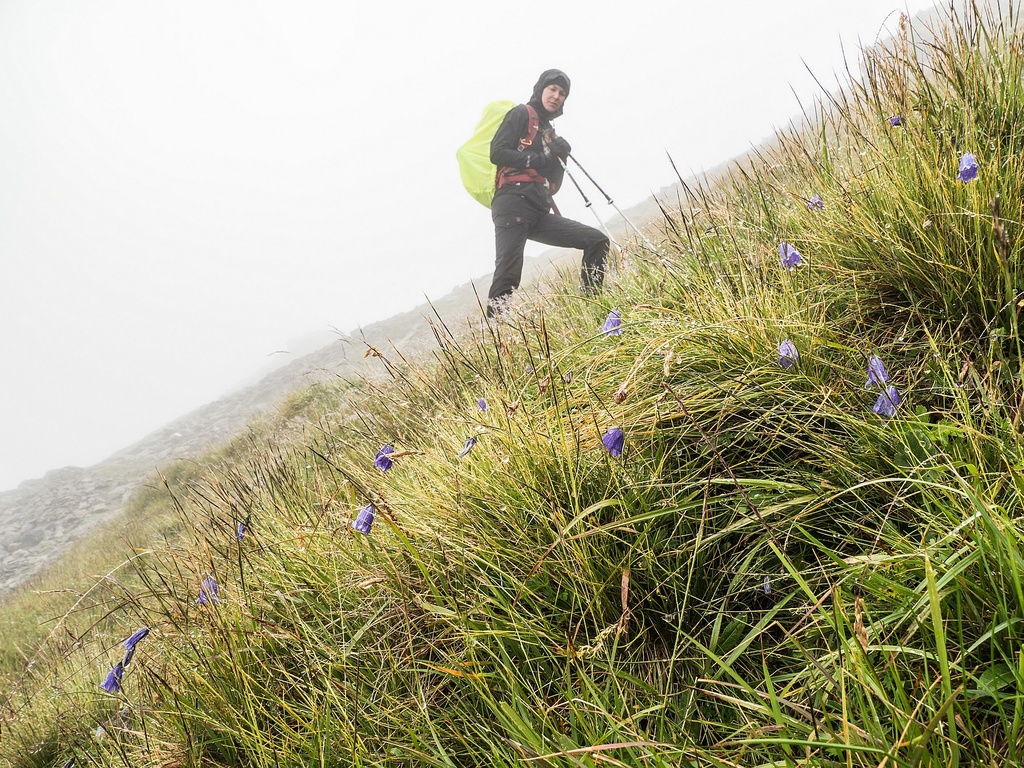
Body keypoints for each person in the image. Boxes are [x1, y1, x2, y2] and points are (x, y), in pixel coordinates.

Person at [486, 69, 610, 318]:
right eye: (552, 89)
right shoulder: (521, 113)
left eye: (562, 93)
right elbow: (497, 152)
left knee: (597, 240)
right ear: (541, 89)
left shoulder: (548, 131)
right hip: (512, 203)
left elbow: (552, 186)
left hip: (537, 209)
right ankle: (495, 337)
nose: (556, 96)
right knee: (508, 273)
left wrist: (559, 156)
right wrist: (537, 158)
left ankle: (593, 310)